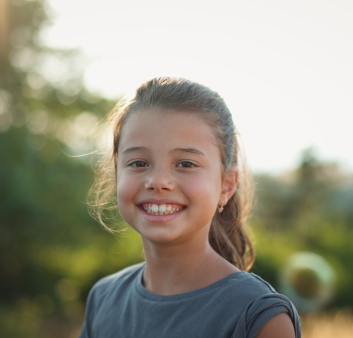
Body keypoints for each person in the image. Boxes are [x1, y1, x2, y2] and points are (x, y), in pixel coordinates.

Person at [80, 77, 301, 337]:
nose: (158, 181)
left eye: (185, 164)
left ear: (226, 186)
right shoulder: (104, 298)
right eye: (139, 163)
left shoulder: (258, 316)